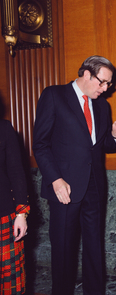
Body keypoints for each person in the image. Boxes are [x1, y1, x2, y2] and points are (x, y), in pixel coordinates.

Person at [32, 55, 116, 295]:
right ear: (86, 74)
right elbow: (40, 144)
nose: (106, 89)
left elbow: (101, 144)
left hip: (94, 186)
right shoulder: (54, 95)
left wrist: (115, 136)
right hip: (64, 187)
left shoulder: (103, 106)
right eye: (102, 82)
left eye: (109, 84)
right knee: (64, 248)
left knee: (94, 247)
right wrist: (55, 179)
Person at [0, 119, 30, 295]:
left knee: (10, 279)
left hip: (4, 214)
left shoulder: (4, 128)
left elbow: (17, 172)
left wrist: (21, 214)